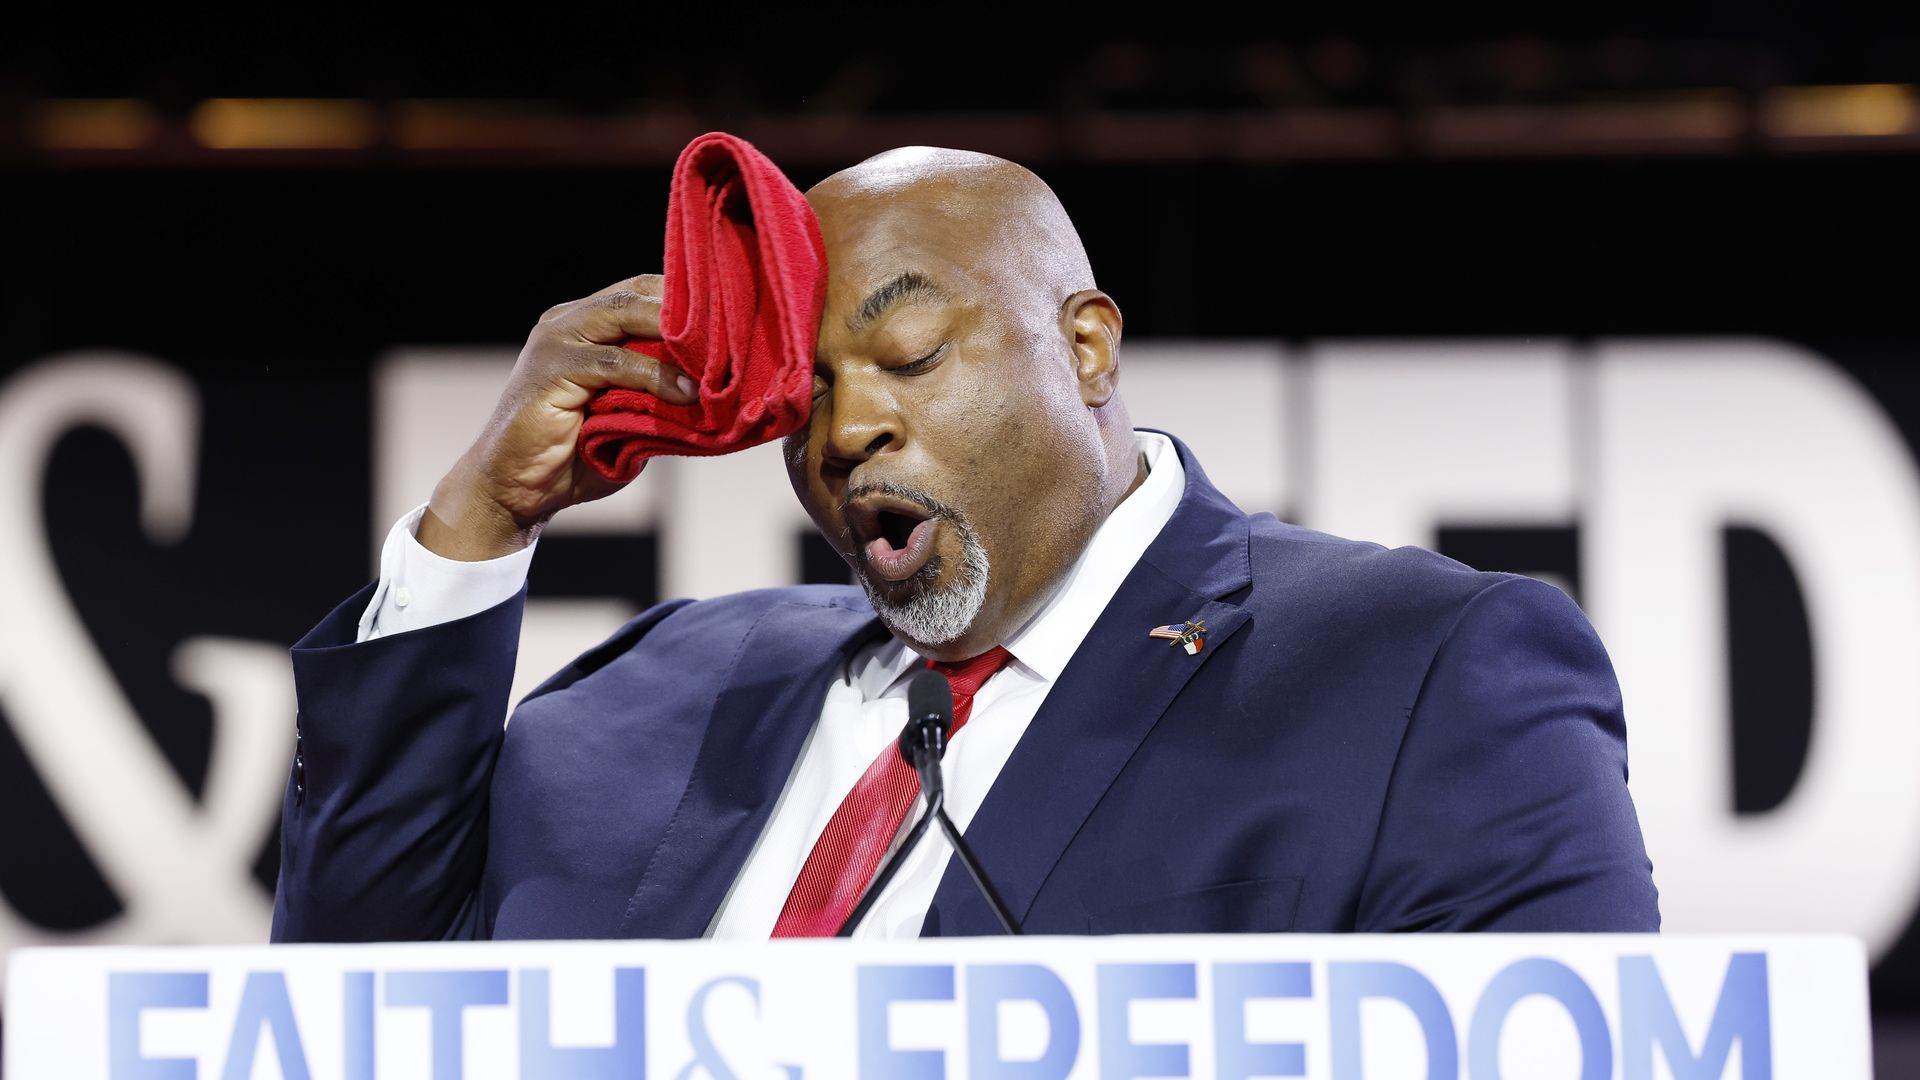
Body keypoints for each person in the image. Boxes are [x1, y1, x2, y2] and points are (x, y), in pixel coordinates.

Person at [271, 147, 1659, 942]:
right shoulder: (664, 693)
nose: (849, 427)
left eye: (910, 352)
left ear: (1086, 344)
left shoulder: (1419, 671)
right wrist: (478, 525)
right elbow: (346, 1003)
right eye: (802, 391)